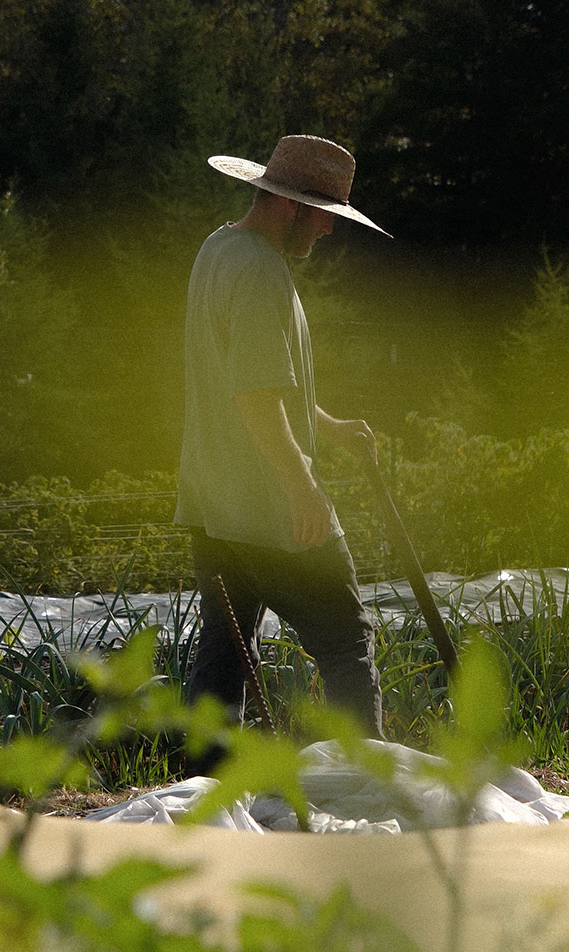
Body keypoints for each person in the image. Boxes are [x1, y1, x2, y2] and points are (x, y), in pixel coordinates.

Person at [174, 134, 391, 768]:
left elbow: (257, 381)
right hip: (272, 508)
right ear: (293, 205)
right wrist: (303, 487)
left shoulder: (219, 250)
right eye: (326, 216)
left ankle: (206, 789)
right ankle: (367, 778)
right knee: (347, 643)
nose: (328, 232)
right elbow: (255, 398)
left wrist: (328, 426)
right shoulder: (262, 271)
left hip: (216, 508)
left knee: (224, 651)